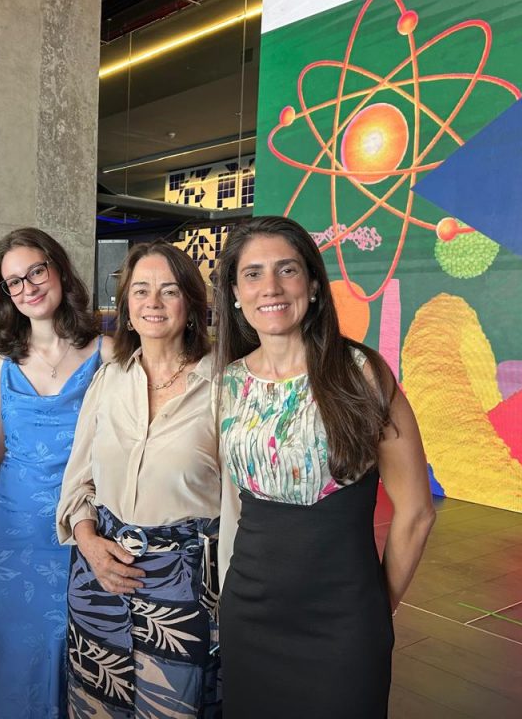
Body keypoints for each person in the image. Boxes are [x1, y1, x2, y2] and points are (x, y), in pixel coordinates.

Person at [212, 216, 436, 718]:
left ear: (313, 285)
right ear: (235, 294)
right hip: (249, 616)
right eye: (252, 274)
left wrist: (377, 607)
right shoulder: (228, 383)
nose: (270, 287)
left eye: (287, 269)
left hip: (344, 622)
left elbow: (417, 513)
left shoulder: (362, 375)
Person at [56, 241, 222, 719]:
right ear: (126, 305)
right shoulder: (109, 379)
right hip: (99, 578)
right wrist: (88, 542)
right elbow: (78, 483)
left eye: (169, 290)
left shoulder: (223, 385)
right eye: (141, 290)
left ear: (191, 304)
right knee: (94, 705)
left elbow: (242, 504)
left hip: (186, 589)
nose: (153, 302)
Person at [0, 227, 111, 718]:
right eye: (14, 282)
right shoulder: (0, 356)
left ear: (58, 268)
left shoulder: (107, 352)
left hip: (82, 527)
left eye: (36, 272)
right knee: (9, 660)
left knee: (75, 657)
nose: (28, 288)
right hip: (9, 530)